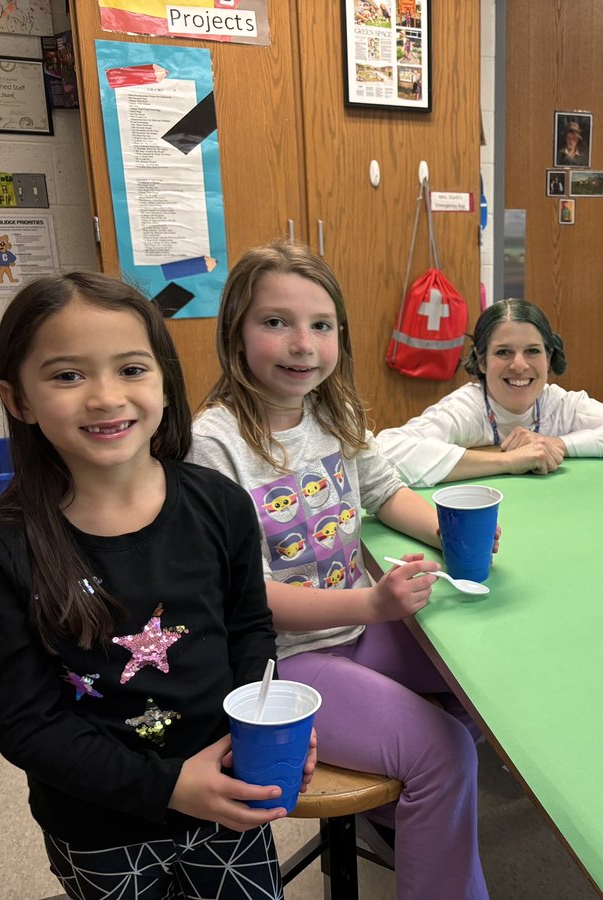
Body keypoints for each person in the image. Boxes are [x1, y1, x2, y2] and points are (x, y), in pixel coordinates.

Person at [0, 273, 305, 899]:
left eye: (131, 369)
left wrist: (265, 725)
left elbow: (250, 629)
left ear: (165, 384)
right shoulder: (0, 548)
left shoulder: (219, 504)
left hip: (228, 791)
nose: (104, 397)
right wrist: (168, 787)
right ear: (19, 400)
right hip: (97, 825)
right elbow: (26, 723)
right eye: (67, 375)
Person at [189, 241, 489, 900]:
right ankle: (429, 821)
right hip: (285, 661)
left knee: (485, 688)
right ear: (235, 334)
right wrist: (372, 607)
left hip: (360, 630)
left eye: (321, 326)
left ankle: (409, 816)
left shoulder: (335, 410)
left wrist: (449, 530)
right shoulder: (211, 445)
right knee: (446, 752)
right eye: (276, 323)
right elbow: (248, 602)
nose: (303, 344)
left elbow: (384, 492)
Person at [378, 298, 603, 486]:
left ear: (549, 357)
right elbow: (387, 452)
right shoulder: (466, 408)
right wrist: (510, 461)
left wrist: (558, 443)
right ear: (481, 361)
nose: (519, 365)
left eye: (533, 351)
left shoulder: (559, 404)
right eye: (504, 352)